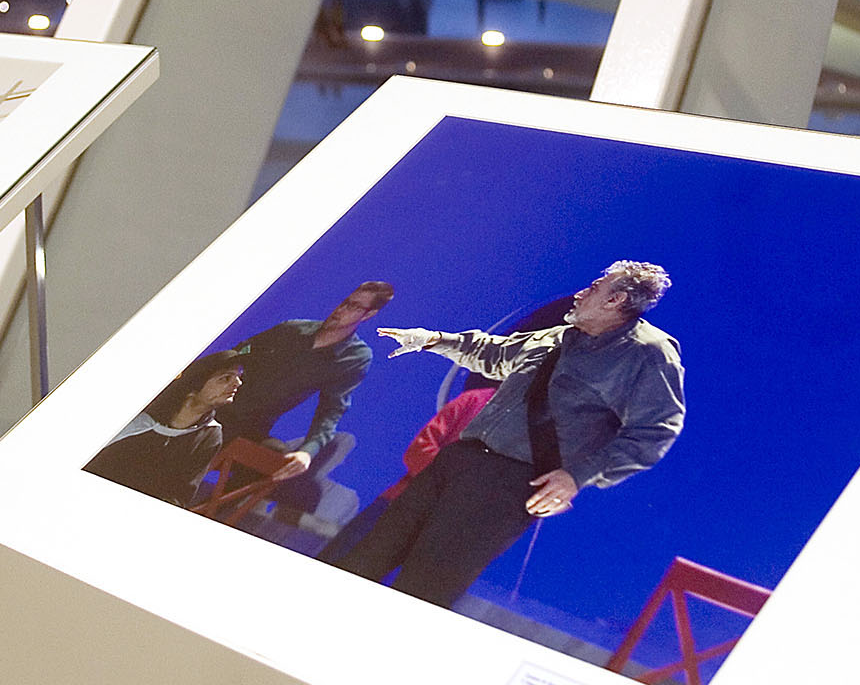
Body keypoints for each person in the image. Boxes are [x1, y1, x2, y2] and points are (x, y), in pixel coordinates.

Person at [332, 261, 684, 610]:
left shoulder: (648, 353)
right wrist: (431, 340)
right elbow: (494, 354)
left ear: (615, 300)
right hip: (457, 461)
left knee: (423, 590)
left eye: (593, 288)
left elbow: (656, 430)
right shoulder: (558, 335)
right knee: (365, 559)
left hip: (508, 484)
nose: (579, 294)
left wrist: (577, 477)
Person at [211, 282, 395, 487]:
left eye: (353, 307)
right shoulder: (292, 329)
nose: (341, 309)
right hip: (212, 409)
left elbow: (331, 410)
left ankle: (205, 513)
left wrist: (308, 452)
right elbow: (236, 354)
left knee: (279, 462)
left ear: (368, 315)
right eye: (344, 302)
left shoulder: (354, 358)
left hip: (248, 430)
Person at [316, 385, 494, 567]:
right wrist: (458, 486)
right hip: (398, 505)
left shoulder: (521, 433)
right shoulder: (474, 400)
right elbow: (418, 451)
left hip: (444, 534)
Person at [85, 353, 246, 506]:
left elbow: (179, 495)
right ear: (195, 385)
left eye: (239, 377)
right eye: (225, 378)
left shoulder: (210, 434)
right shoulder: (141, 413)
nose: (238, 383)